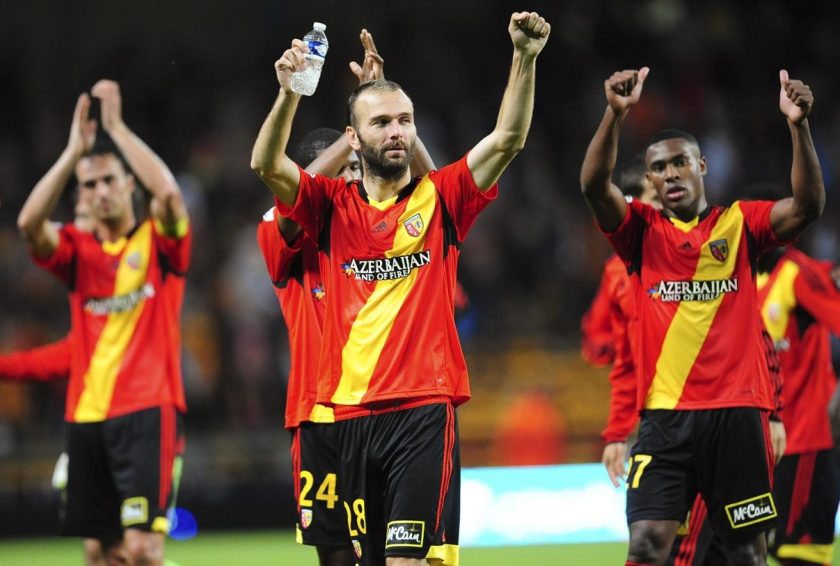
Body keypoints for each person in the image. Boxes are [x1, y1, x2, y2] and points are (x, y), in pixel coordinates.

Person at [252, 11, 549, 565]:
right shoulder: (327, 208)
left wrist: (524, 59)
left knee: (407, 560)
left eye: (405, 121)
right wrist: (290, 94)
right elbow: (267, 163)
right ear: (353, 138)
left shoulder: (441, 199)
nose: (396, 132)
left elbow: (507, 139)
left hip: (422, 410)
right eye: (382, 122)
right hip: (348, 416)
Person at [580, 66, 824, 566]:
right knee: (646, 543)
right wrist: (614, 115)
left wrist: (798, 126)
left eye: (680, 162)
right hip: (664, 420)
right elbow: (593, 186)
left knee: (745, 553)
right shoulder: (640, 232)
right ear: (650, 179)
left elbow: (807, 206)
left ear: (703, 166)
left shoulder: (740, 224)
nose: (670, 174)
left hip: (737, 417)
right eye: (659, 168)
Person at [17, 79, 190, 566]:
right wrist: (73, 153)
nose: (100, 191)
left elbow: (169, 195)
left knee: (142, 549)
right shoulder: (77, 251)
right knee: (99, 551)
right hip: (87, 415)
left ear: (130, 184)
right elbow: (29, 225)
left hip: (148, 410)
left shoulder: (158, 242)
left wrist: (116, 128)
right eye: (89, 185)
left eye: (110, 180)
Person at [755, 239, 840, 565]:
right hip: (765, 446)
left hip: (806, 442)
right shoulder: (748, 278)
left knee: (800, 554)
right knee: (754, 547)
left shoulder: (798, 273)